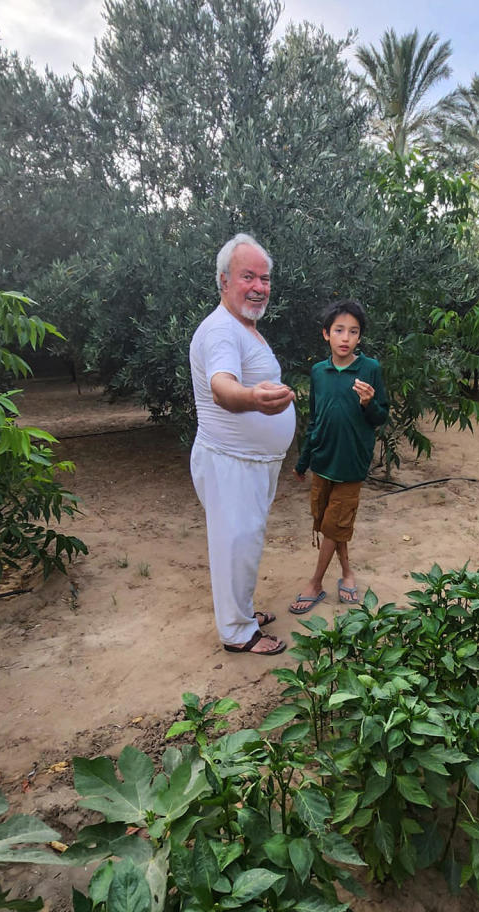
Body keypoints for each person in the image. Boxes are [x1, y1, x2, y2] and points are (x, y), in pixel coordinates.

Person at [189, 233, 296, 655]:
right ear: (223, 280)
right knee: (235, 544)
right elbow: (222, 388)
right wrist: (254, 399)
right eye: (247, 276)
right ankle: (237, 632)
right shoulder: (220, 330)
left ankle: (243, 611)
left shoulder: (243, 327)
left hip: (249, 460)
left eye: (264, 278)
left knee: (246, 540)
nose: (258, 286)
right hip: (230, 460)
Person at [290, 299, 388, 614]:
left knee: (334, 525)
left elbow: (380, 417)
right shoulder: (319, 372)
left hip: (351, 464)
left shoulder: (370, 369)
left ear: (360, 338)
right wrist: (303, 461)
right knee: (327, 522)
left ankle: (315, 583)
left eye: (353, 332)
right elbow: (316, 420)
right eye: (339, 330)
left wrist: (368, 403)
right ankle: (347, 573)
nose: (345, 338)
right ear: (326, 334)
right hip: (322, 462)